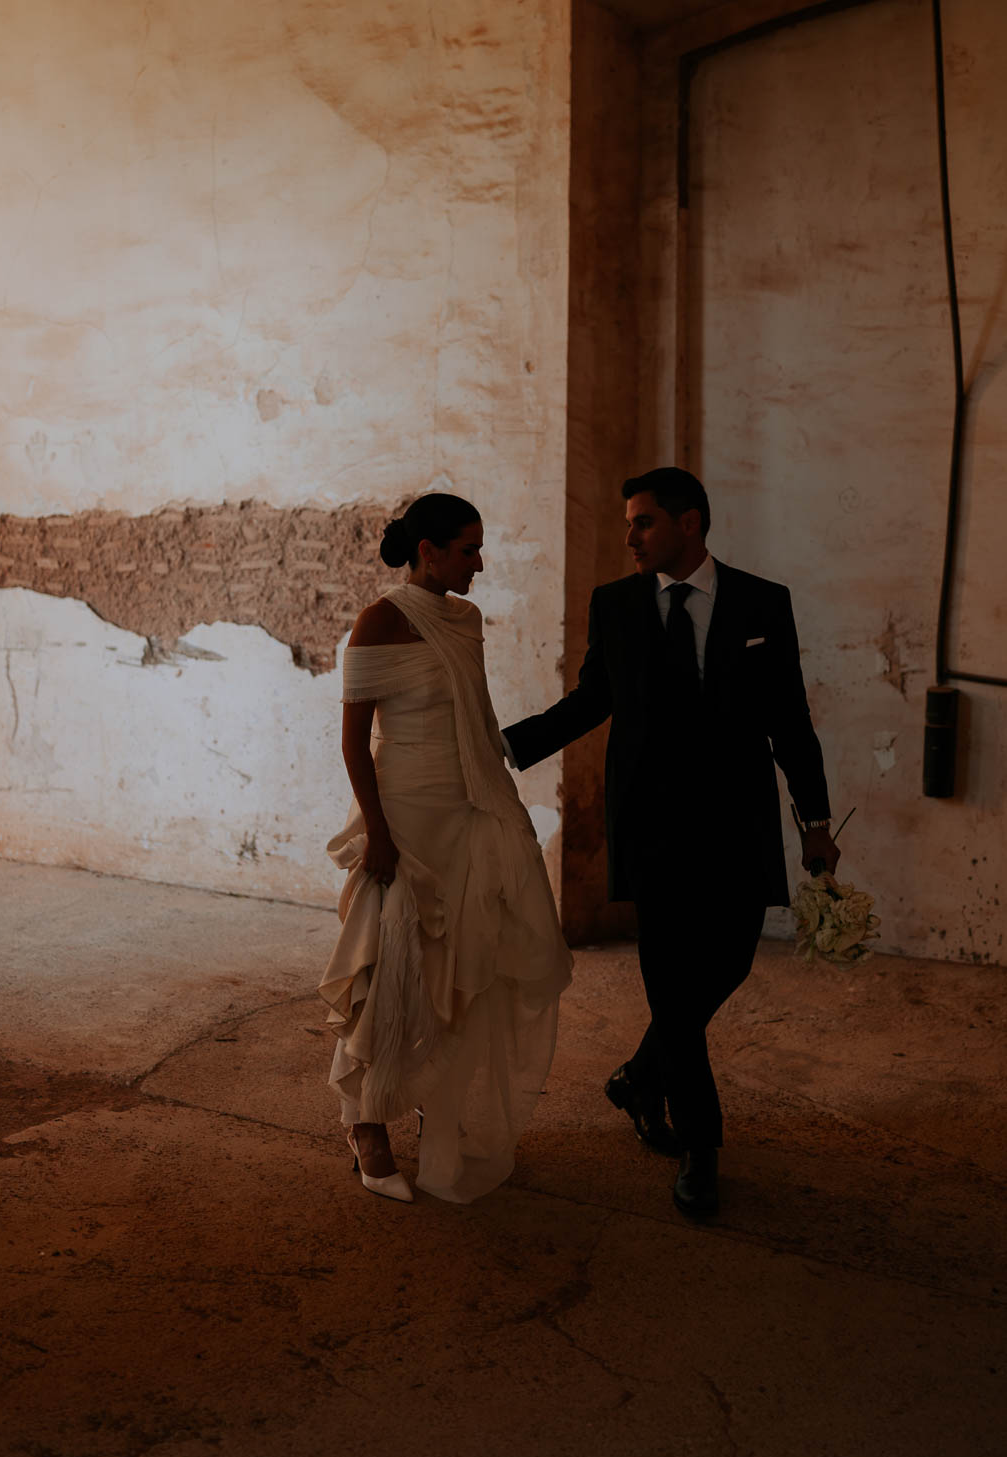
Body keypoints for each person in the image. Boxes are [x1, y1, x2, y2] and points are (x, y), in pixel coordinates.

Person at [503, 467, 838, 1220]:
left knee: (728, 962)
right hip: (650, 824)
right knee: (671, 986)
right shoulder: (616, 606)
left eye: (643, 522)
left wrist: (814, 822)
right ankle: (700, 1148)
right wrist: (504, 747)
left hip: (738, 822)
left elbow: (788, 717)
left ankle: (638, 1077)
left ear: (690, 524)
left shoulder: (761, 602)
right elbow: (594, 698)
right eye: (629, 522)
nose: (628, 536)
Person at [320, 493, 572, 1205]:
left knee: (462, 967)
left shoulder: (464, 620)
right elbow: (353, 741)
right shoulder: (380, 620)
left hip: (465, 814)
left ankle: (438, 1103)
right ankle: (366, 1124)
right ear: (427, 552)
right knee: (388, 970)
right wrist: (376, 830)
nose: (479, 563)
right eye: (467, 549)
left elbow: (478, 720)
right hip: (402, 819)